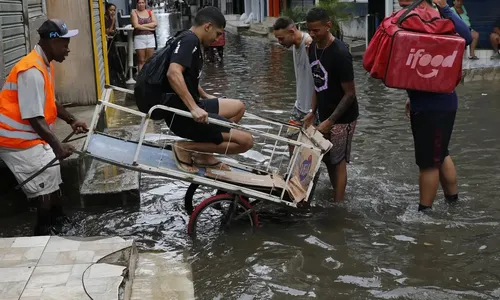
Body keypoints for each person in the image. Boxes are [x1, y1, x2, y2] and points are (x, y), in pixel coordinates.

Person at [134, 7, 252, 172]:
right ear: (207, 26)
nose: (218, 39)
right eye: (218, 33)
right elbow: (173, 73)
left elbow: (186, 76)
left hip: (188, 106)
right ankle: (186, 147)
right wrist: (194, 108)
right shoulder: (190, 41)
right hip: (183, 116)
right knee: (246, 141)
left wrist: (204, 95)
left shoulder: (186, 37)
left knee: (238, 107)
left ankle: (204, 153)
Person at [0, 19, 88, 235]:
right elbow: (34, 117)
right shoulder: (31, 70)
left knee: (52, 170)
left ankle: (58, 219)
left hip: (28, 136)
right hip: (14, 139)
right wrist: (57, 146)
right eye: (65, 44)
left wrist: (71, 120)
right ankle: (44, 230)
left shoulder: (42, 63)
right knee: (45, 178)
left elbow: (49, 100)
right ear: (52, 41)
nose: (68, 49)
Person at [401, 0, 472, 212]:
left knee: (429, 163)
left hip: (435, 104)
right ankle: (453, 203)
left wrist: (445, 7)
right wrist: (411, 96)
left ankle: (424, 214)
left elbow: (466, 37)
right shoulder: (421, 17)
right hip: (434, 100)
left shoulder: (432, 15)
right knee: (440, 154)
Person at [302, 7, 359, 202]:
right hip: (323, 113)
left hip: (343, 117)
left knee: (338, 160)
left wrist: (331, 121)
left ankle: (338, 205)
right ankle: (337, 192)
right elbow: (318, 84)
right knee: (326, 157)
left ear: (328, 26)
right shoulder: (312, 48)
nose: (312, 34)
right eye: (309, 30)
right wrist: (313, 112)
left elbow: (350, 94)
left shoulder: (340, 53)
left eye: (316, 30)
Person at [272, 16, 315, 156]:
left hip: (312, 107)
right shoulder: (294, 45)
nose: (279, 42)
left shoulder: (309, 44)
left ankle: (309, 177)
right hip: (299, 105)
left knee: (311, 149)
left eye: (281, 38)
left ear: (291, 31)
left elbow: (320, 80)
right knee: (291, 138)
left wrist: (314, 110)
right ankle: (293, 173)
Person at [131, 0, 157, 72]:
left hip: (150, 38)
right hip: (139, 38)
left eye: (143, 3)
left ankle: (148, 78)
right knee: (141, 61)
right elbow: (136, 26)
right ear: (136, 4)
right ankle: (141, 79)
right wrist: (150, 28)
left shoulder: (150, 12)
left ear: (145, 3)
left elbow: (155, 23)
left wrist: (142, 25)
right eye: (139, 3)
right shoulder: (134, 13)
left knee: (149, 60)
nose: (141, 4)